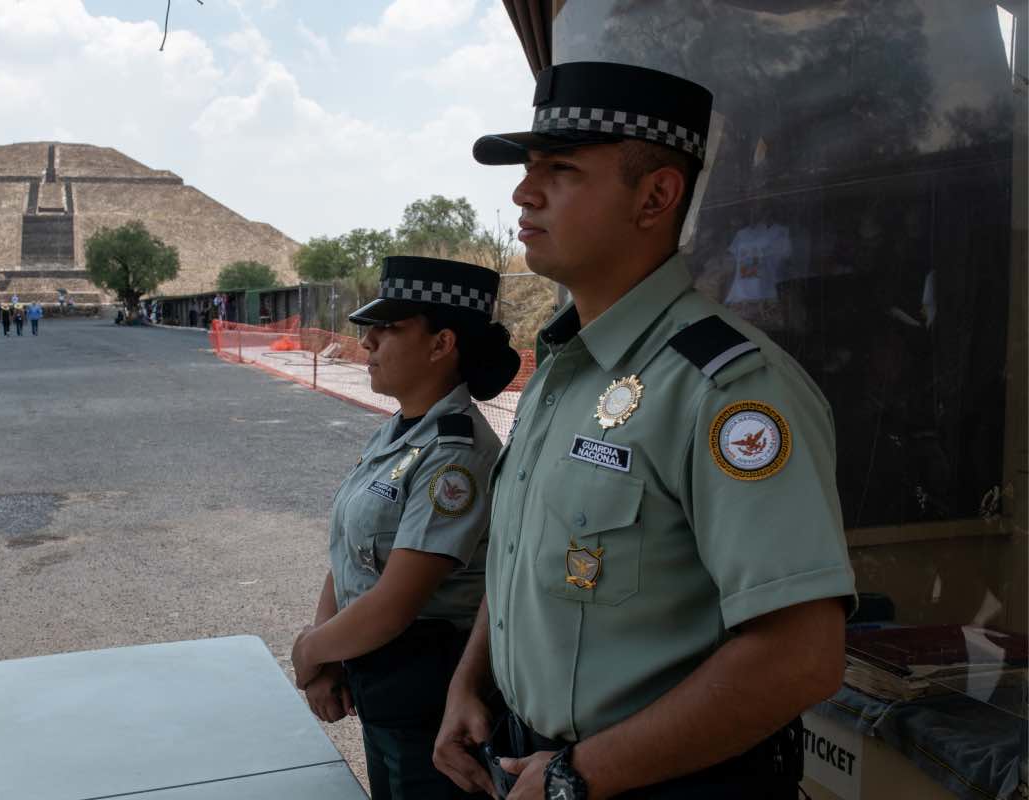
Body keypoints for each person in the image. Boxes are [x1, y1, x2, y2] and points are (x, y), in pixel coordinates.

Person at [434, 62, 857, 800]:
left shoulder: (725, 386)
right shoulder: (569, 367)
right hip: (533, 765)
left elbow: (799, 658)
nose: (523, 193)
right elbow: (522, 559)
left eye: (560, 169)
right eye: (528, 169)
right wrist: (471, 682)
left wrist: (575, 776)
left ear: (656, 195)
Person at [291, 256, 521, 800]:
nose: (366, 342)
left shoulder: (453, 455)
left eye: (388, 328)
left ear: (442, 345)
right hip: (382, 676)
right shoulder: (399, 430)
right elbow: (351, 553)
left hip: (429, 693)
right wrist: (327, 656)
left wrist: (309, 652)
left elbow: (396, 601)